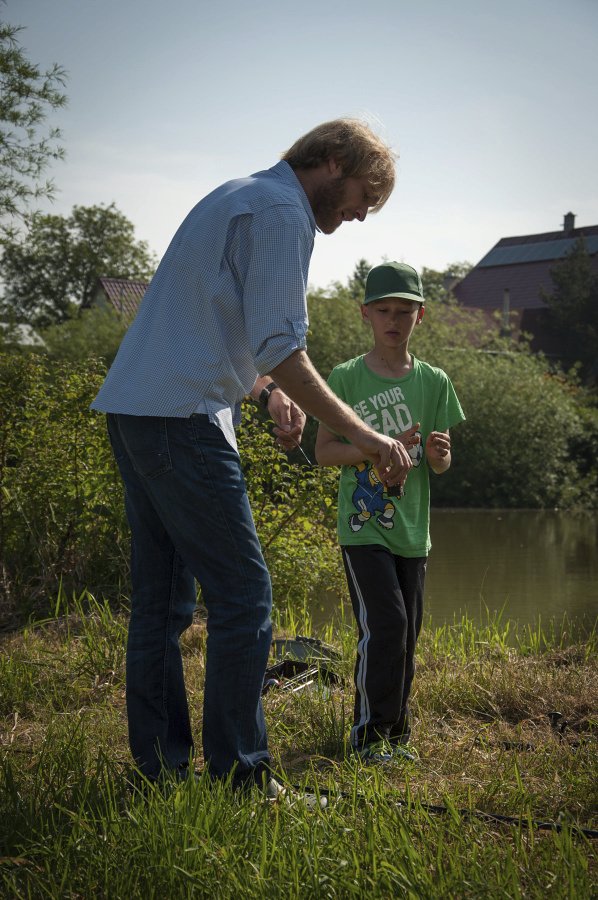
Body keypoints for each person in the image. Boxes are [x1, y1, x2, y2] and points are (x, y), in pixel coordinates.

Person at [91, 119, 413, 794]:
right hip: (182, 422)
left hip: (135, 409)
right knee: (244, 596)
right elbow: (279, 344)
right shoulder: (283, 213)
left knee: (161, 605)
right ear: (330, 161)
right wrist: (372, 437)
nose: (358, 213)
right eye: (362, 195)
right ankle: (243, 776)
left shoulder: (235, 195)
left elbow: (213, 320)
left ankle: (159, 772)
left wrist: (266, 393)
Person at [315, 261, 465, 763]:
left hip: (413, 532)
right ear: (366, 315)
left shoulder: (435, 381)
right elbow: (324, 453)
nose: (394, 320)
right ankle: (370, 738)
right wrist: (378, 449)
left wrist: (440, 455)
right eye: (384, 310)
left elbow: (440, 464)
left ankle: (395, 739)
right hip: (363, 529)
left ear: (420, 316)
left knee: (407, 635)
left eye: (405, 311)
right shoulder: (345, 377)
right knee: (386, 626)